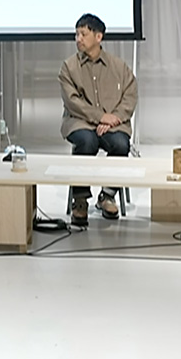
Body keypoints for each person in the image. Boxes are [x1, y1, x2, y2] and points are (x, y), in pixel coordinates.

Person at [59, 13, 139, 225]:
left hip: (112, 123)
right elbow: (72, 101)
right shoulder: (68, 67)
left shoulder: (118, 66)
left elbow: (130, 95)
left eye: (83, 34)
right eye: (76, 34)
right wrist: (100, 117)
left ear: (98, 37)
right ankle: (80, 199)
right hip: (80, 121)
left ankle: (108, 195)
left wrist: (115, 118)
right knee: (87, 141)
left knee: (121, 143)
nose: (78, 39)